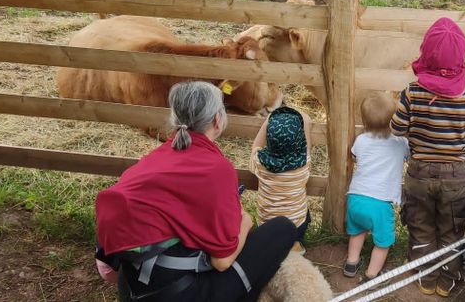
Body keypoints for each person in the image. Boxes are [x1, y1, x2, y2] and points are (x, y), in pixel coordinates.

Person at [95, 81, 296, 302]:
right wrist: (245, 220)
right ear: (218, 120)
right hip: (183, 294)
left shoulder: (152, 160)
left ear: (175, 118)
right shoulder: (217, 168)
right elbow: (222, 261)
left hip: (134, 289)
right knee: (282, 228)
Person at [391, 17, 465, 297]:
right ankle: (447, 278)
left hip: (419, 172)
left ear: (425, 54)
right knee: (451, 227)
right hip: (455, 175)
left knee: (420, 223)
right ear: (461, 58)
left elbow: (397, 128)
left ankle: (425, 274)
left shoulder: (412, 92)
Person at [343, 92, 409, 281]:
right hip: (380, 203)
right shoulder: (400, 143)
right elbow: (410, 155)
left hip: (355, 198)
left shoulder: (361, 140)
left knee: (357, 231)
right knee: (383, 242)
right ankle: (372, 274)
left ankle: (351, 263)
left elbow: (355, 156)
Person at [249, 106, 312, 253]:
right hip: (295, 226)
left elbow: (256, 146)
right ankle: (295, 244)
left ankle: (272, 248)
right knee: (304, 215)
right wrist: (306, 123)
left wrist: (268, 122)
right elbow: (307, 147)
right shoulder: (303, 163)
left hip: (266, 226)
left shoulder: (259, 162)